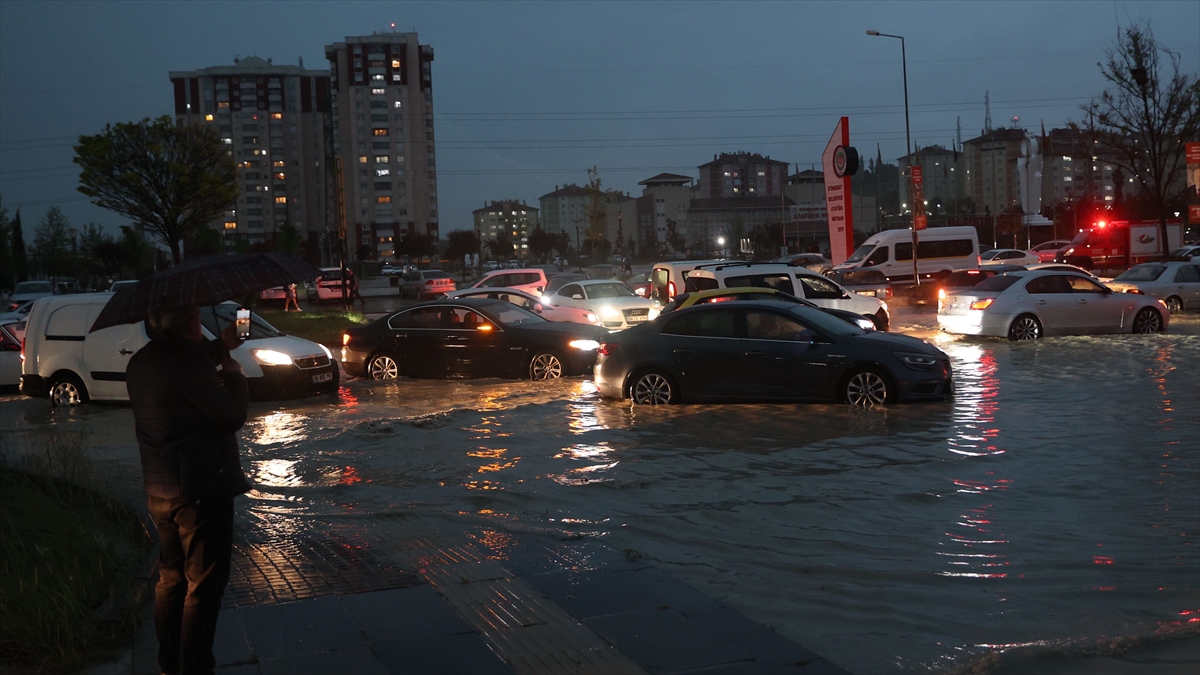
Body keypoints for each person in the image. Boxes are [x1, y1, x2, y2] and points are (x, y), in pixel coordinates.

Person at [126, 305, 250, 675]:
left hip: (161, 488)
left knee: (171, 577)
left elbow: (182, 371)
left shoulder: (142, 363)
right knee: (204, 584)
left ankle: (169, 663)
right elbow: (231, 415)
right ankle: (195, 666)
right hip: (200, 488)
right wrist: (235, 376)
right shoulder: (189, 366)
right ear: (194, 323)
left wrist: (221, 346)